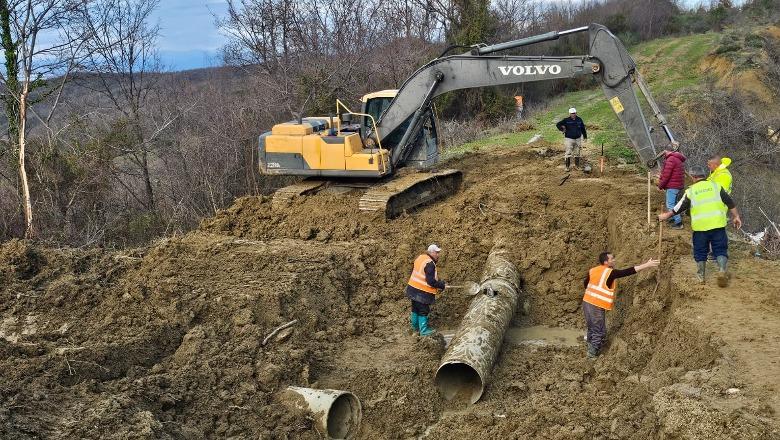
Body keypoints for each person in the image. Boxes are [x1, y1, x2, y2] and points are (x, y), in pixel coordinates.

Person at [658, 165, 742, 287]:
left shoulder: (691, 191)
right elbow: (729, 202)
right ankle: (722, 271)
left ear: (693, 177)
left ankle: (700, 277)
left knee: (700, 251)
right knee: (720, 249)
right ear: (704, 176)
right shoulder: (715, 186)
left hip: (700, 228)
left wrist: (666, 215)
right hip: (718, 224)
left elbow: (679, 208)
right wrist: (736, 217)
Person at [582, 253, 659, 358]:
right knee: (598, 330)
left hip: (587, 301)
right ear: (606, 262)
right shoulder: (610, 273)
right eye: (612, 259)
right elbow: (627, 272)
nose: (614, 260)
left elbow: (586, 284)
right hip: (596, 304)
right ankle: (591, 354)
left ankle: (592, 345)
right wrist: (647, 265)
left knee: (592, 326)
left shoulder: (593, 270)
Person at [406, 244, 446, 336]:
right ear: (431, 252)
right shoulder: (430, 264)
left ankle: (414, 328)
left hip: (413, 289)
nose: (438, 255)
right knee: (423, 310)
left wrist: (439, 283)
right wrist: (441, 285)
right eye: (437, 252)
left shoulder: (421, 258)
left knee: (415, 309)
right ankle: (423, 331)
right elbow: (431, 281)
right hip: (422, 292)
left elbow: (422, 274)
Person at [657, 147, 687, 229]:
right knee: (675, 204)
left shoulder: (671, 159)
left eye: (663, 153)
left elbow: (666, 175)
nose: (663, 155)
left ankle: (678, 223)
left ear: (667, 151)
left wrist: (660, 186)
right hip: (677, 185)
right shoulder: (677, 158)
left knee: (670, 204)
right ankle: (674, 218)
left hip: (672, 186)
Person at [556, 107, 587, 172]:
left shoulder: (579, 119)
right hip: (569, 139)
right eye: (572, 113)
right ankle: (567, 167)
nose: (573, 114)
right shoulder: (566, 120)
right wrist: (562, 129)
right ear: (570, 114)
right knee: (568, 152)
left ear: (576, 113)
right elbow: (558, 124)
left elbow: (583, 128)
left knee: (577, 152)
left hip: (578, 138)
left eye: (574, 113)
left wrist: (585, 136)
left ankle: (577, 166)